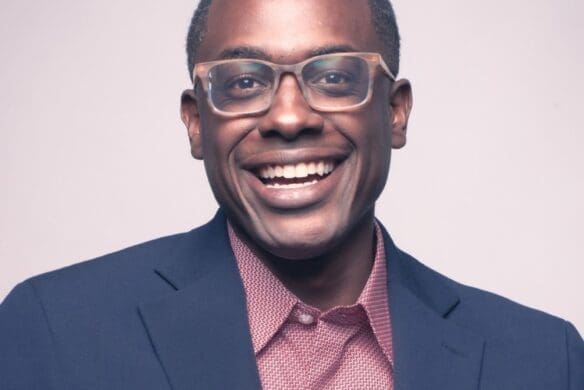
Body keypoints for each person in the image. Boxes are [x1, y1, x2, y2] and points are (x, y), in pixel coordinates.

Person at [1, 0, 582, 388]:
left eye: (333, 77)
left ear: (396, 112)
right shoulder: (54, 334)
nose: (287, 117)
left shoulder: (542, 360)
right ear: (196, 123)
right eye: (244, 82)